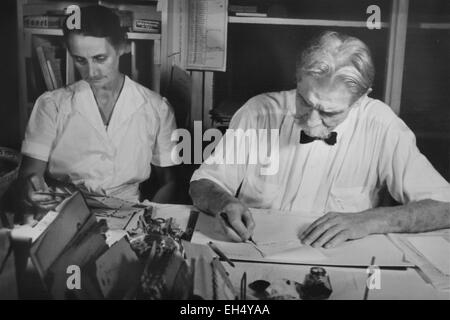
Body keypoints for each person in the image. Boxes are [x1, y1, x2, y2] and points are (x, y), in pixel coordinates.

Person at [189, 31, 450, 248]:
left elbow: (444, 207)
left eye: (329, 112)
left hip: (342, 265)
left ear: (360, 99)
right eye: (304, 101)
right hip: (254, 252)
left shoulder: (381, 125)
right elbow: (204, 182)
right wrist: (224, 202)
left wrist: (369, 220)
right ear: (298, 78)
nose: (312, 122)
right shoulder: (258, 112)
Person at [17, 5, 179, 219]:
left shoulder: (157, 108)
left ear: (122, 47)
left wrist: (148, 219)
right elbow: (30, 175)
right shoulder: (51, 105)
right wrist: (30, 191)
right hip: (63, 212)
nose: (91, 72)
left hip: (129, 214)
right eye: (80, 60)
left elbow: (171, 181)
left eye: (100, 58)